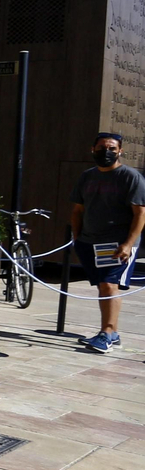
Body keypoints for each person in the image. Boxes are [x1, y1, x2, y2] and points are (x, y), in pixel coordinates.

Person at [70, 132, 145, 352]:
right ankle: (112, 332)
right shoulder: (87, 176)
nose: (107, 152)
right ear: (93, 150)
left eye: (112, 148)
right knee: (103, 286)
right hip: (89, 241)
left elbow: (140, 213)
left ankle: (107, 334)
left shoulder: (130, 177)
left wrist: (128, 244)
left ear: (120, 151)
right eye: (102, 147)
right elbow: (78, 210)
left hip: (116, 243)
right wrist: (77, 238)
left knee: (110, 285)